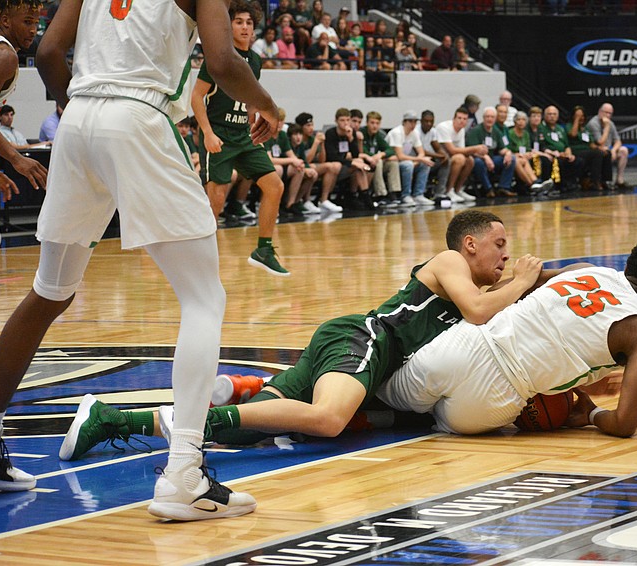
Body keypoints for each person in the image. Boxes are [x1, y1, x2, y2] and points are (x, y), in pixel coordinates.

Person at [0, 0, 280, 519]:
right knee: (203, 299)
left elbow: (50, 50)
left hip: (77, 118)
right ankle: (184, 475)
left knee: (49, 291)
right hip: (139, 117)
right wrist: (269, 105)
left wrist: (80, 106)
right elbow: (221, 61)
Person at [61, 211, 545, 455]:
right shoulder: (451, 263)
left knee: (247, 431)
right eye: (500, 245)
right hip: (363, 340)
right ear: (470, 243)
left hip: (356, 356)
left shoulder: (489, 286)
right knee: (329, 418)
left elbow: (529, 288)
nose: (507, 255)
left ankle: (111, 419)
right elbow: (480, 310)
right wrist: (521, 281)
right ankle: (228, 400)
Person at [378, 238, 637, 438]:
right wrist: (592, 412)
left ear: (626, 266)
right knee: (426, 424)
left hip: (464, 346)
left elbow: (496, 293)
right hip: (496, 398)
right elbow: (625, 424)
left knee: (381, 396)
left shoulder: (583, 270)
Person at [191, 0, 289, 277]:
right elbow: (196, 97)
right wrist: (207, 133)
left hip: (243, 135)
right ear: (228, 25)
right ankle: (199, 262)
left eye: (249, 22)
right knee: (216, 201)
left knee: (274, 186)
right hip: (218, 134)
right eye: (238, 22)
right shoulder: (219, 56)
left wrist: (255, 116)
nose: (245, 27)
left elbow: (248, 97)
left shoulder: (255, 61)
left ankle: (264, 250)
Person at [0, 0, 47, 195]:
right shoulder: (4, 56)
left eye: (36, 23)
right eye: (27, 22)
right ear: (5, 20)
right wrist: (16, 158)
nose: (33, 30)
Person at [324, 107, 374, 210]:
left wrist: (351, 138)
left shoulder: (351, 133)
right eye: (342, 120)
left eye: (347, 120)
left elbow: (356, 155)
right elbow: (332, 157)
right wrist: (351, 163)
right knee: (348, 164)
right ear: (336, 121)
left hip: (345, 165)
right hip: (334, 167)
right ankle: (326, 198)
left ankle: (364, 196)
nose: (345, 123)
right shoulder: (331, 133)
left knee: (360, 162)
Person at [435, 106, 486, 203]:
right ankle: (449, 190)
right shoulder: (444, 127)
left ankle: (458, 190)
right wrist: (475, 148)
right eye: (459, 118)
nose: (462, 121)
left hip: (450, 157)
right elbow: (452, 150)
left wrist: (479, 153)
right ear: (454, 119)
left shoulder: (461, 130)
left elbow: (462, 150)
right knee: (460, 159)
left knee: (469, 160)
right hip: (439, 158)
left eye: (464, 119)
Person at [385, 110, 434, 206]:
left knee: (425, 163)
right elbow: (400, 155)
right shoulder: (397, 133)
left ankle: (418, 194)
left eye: (415, 122)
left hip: (406, 161)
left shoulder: (414, 133)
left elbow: (421, 152)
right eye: (410, 121)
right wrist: (418, 159)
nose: (413, 124)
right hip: (392, 161)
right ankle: (405, 195)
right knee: (408, 165)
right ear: (404, 122)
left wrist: (418, 161)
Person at [295, 111, 341, 213]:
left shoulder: (312, 138)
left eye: (312, 125)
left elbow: (322, 160)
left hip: (311, 166)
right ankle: (306, 200)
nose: (311, 128)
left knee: (334, 166)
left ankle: (324, 200)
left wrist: (322, 144)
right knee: (311, 167)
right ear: (301, 127)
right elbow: (306, 160)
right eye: (308, 125)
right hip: (300, 167)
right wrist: (316, 143)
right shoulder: (298, 139)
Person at [466, 106, 517, 198]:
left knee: (512, 159)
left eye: (492, 117)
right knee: (478, 162)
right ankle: (488, 189)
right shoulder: (476, 131)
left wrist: (508, 153)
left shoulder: (496, 131)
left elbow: (502, 148)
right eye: (487, 117)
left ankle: (503, 187)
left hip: (492, 158)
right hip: (478, 159)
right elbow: (472, 151)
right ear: (483, 118)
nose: (490, 119)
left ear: (495, 118)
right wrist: (485, 157)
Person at [506, 111, 552, 195]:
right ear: (515, 121)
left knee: (527, 159)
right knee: (519, 161)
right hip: (512, 156)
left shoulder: (526, 134)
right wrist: (516, 154)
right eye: (518, 120)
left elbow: (527, 148)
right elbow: (507, 149)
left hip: (523, 156)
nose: (521, 122)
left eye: (523, 120)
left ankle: (536, 182)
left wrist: (528, 154)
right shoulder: (510, 133)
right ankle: (532, 184)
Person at [588, 103, 630, 190]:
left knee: (623, 150)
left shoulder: (610, 123)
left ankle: (619, 180)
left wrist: (614, 150)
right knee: (605, 151)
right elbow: (600, 142)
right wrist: (607, 127)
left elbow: (618, 141)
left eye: (609, 113)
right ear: (600, 112)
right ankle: (604, 181)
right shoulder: (593, 123)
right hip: (597, 151)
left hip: (609, 150)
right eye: (605, 112)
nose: (607, 115)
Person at [567, 105, 609, 191]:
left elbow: (591, 144)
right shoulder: (569, 125)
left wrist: (599, 148)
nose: (581, 118)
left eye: (582, 116)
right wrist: (576, 120)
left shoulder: (585, 128)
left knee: (605, 153)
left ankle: (605, 181)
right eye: (578, 115)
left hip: (587, 151)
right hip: (576, 151)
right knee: (596, 154)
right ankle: (594, 182)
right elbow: (573, 134)